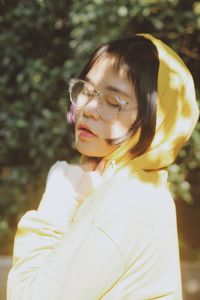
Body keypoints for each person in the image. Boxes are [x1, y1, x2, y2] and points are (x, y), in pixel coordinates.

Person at [7, 33, 199, 300]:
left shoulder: (127, 201)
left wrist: (58, 200)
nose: (88, 108)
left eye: (112, 102)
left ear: (155, 120)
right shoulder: (138, 188)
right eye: (87, 90)